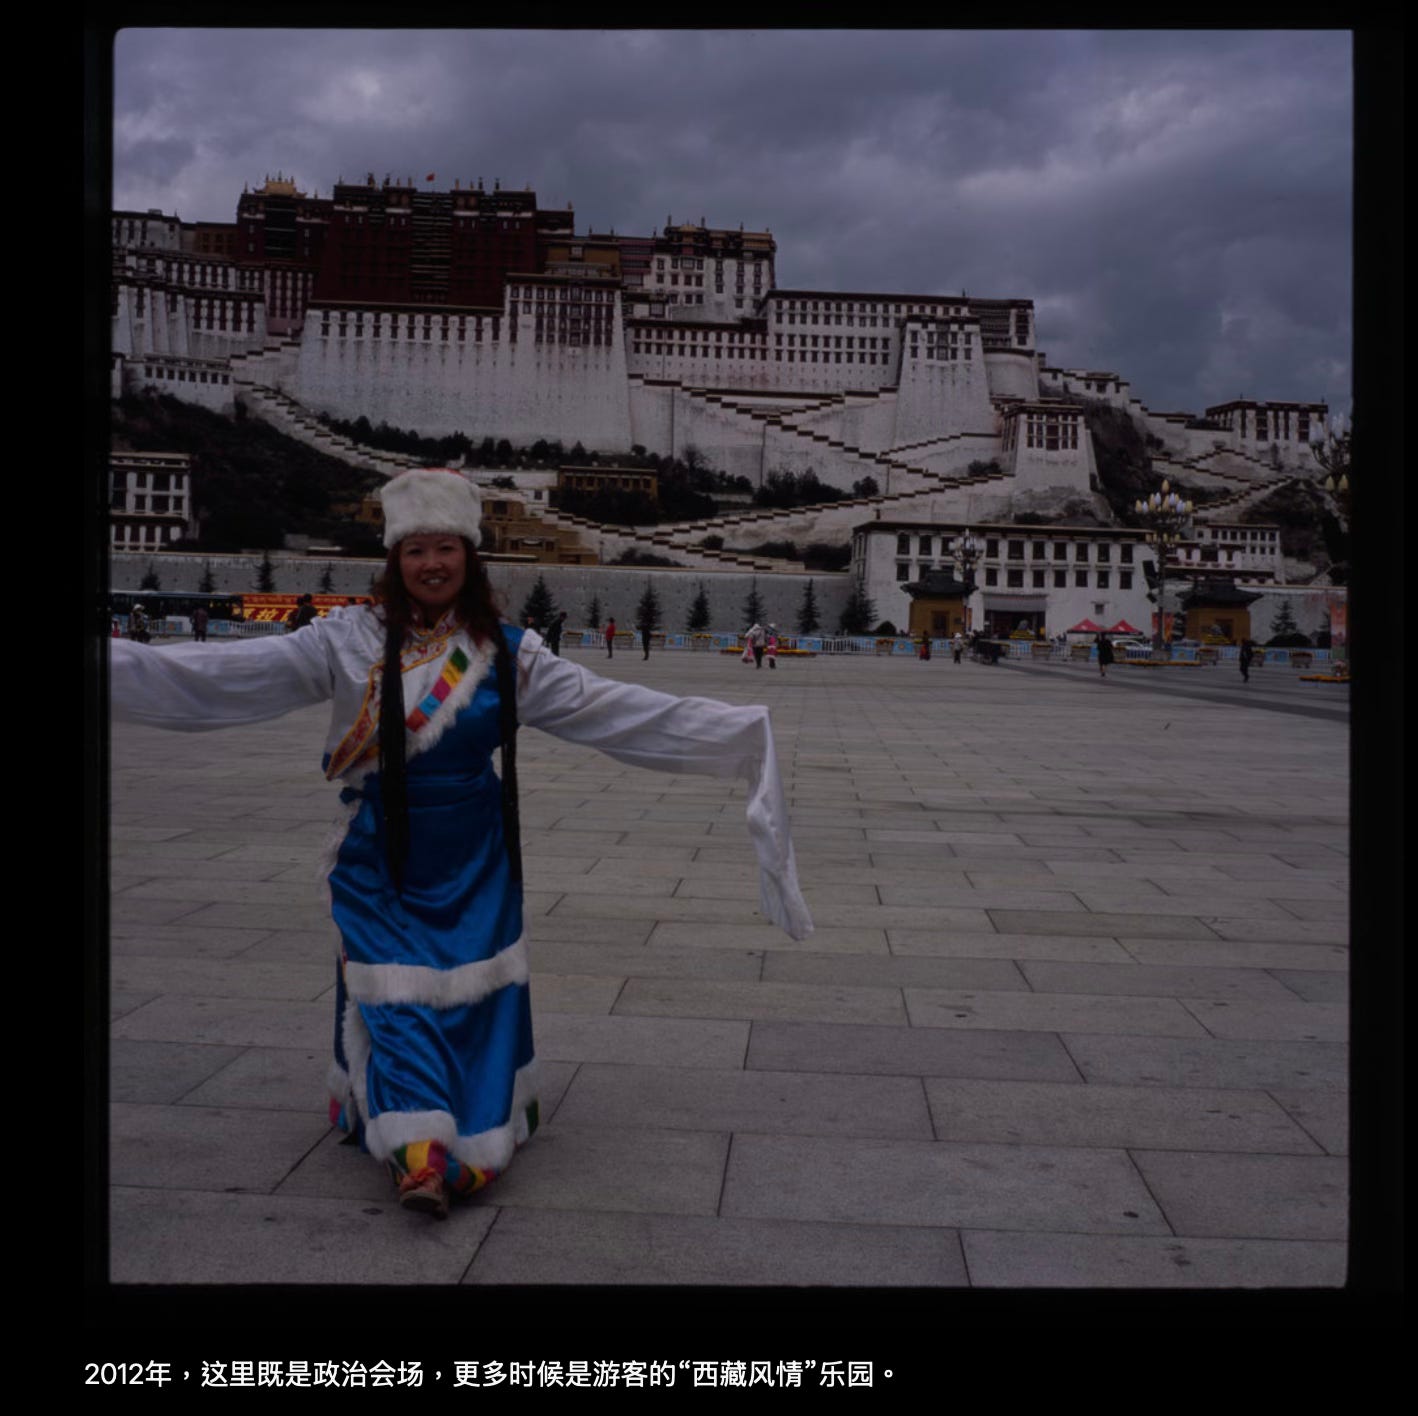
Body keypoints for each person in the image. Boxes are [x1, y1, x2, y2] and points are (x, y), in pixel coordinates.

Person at [111, 469, 812, 1220]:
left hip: (474, 852)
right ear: (395, 559)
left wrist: (734, 732)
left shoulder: (508, 652)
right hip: (380, 850)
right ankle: (422, 1155)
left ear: (469, 557)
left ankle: (466, 1120)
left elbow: (611, 709)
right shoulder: (347, 639)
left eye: (445, 548)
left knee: (473, 996)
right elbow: (226, 674)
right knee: (394, 992)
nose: (431, 564)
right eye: (415, 550)